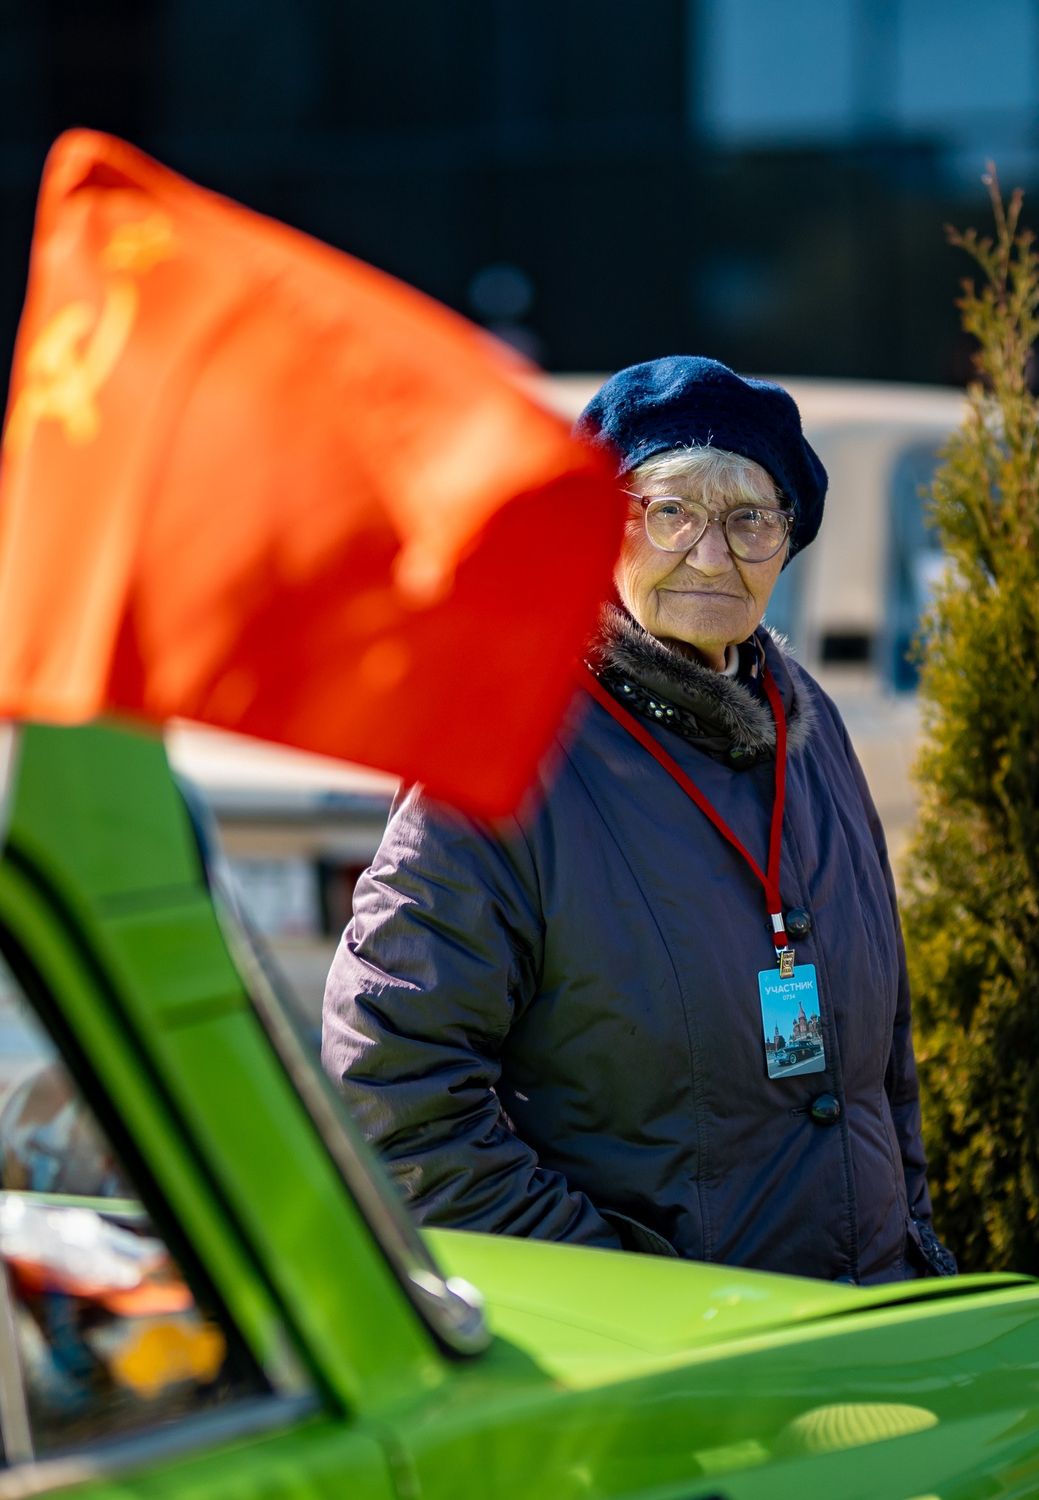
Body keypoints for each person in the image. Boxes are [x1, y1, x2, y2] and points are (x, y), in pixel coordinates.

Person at [322, 356, 954, 1283]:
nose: (712, 553)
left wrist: (913, 1253)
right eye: (670, 510)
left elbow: (879, 1072)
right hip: (662, 1373)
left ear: (787, 542)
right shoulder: (509, 756)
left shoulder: (805, 722)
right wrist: (621, 1294)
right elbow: (390, 1086)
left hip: (856, 1337)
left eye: (750, 519)